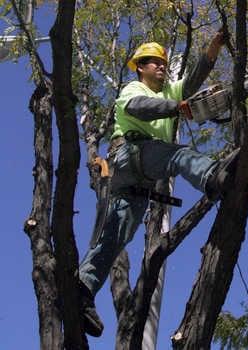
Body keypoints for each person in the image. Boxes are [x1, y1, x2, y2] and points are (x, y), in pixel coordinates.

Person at [78, 31, 238, 337]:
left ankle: (82, 289)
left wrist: (212, 49)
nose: (161, 67)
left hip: (141, 177)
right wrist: (176, 108)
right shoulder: (133, 88)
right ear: (140, 66)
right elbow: (140, 108)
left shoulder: (169, 91)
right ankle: (213, 176)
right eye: (155, 62)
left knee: (117, 234)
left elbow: (190, 83)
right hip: (129, 154)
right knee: (179, 155)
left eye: (164, 63)